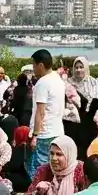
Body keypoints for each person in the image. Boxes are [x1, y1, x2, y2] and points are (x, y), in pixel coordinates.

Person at [22, 135, 86, 195]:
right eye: (51, 153)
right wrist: (37, 193)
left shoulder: (80, 170)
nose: (54, 158)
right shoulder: (44, 170)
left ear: (69, 154)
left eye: (59, 154)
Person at [30, 50, 66, 178]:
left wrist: (35, 135)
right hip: (57, 130)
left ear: (40, 65)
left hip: (44, 133)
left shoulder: (42, 83)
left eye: (34, 65)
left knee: (40, 171)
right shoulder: (58, 80)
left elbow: (40, 112)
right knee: (54, 169)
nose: (33, 69)